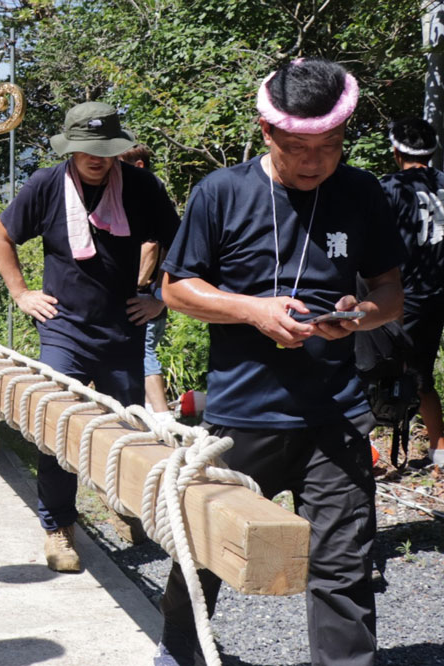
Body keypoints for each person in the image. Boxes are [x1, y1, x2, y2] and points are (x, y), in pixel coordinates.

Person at [157, 58, 404, 666]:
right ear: (267, 133)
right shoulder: (222, 192)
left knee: (345, 564)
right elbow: (175, 288)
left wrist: (358, 313)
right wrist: (251, 311)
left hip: (336, 413)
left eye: (330, 146)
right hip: (244, 412)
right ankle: (179, 651)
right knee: (206, 547)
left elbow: (391, 292)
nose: (316, 161)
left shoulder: (362, 191)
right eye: (299, 147)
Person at [0, 101, 179, 572]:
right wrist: (21, 293)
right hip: (64, 328)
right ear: (70, 149)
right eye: (86, 150)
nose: (96, 158)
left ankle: (128, 505)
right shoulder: (46, 185)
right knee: (58, 425)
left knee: (131, 426)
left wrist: (159, 295)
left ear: (118, 150)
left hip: (123, 326)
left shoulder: (140, 186)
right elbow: (2, 235)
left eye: (105, 150)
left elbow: (181, 242)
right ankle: (58, 525)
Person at [379, 117, 444, 469]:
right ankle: (439, 449)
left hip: (404, 294)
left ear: (396, 151)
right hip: (438, 291)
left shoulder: (387, 188)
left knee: (374, 369)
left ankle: (362, 452)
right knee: (422, 373)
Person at [119, 143, 172, 419]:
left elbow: (152, 246)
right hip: (152, 293)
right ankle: (150, 414)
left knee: (144, 352)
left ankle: (163, 418)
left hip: (145, 294)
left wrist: (136, 285)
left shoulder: (150, 195)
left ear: (138, 166)